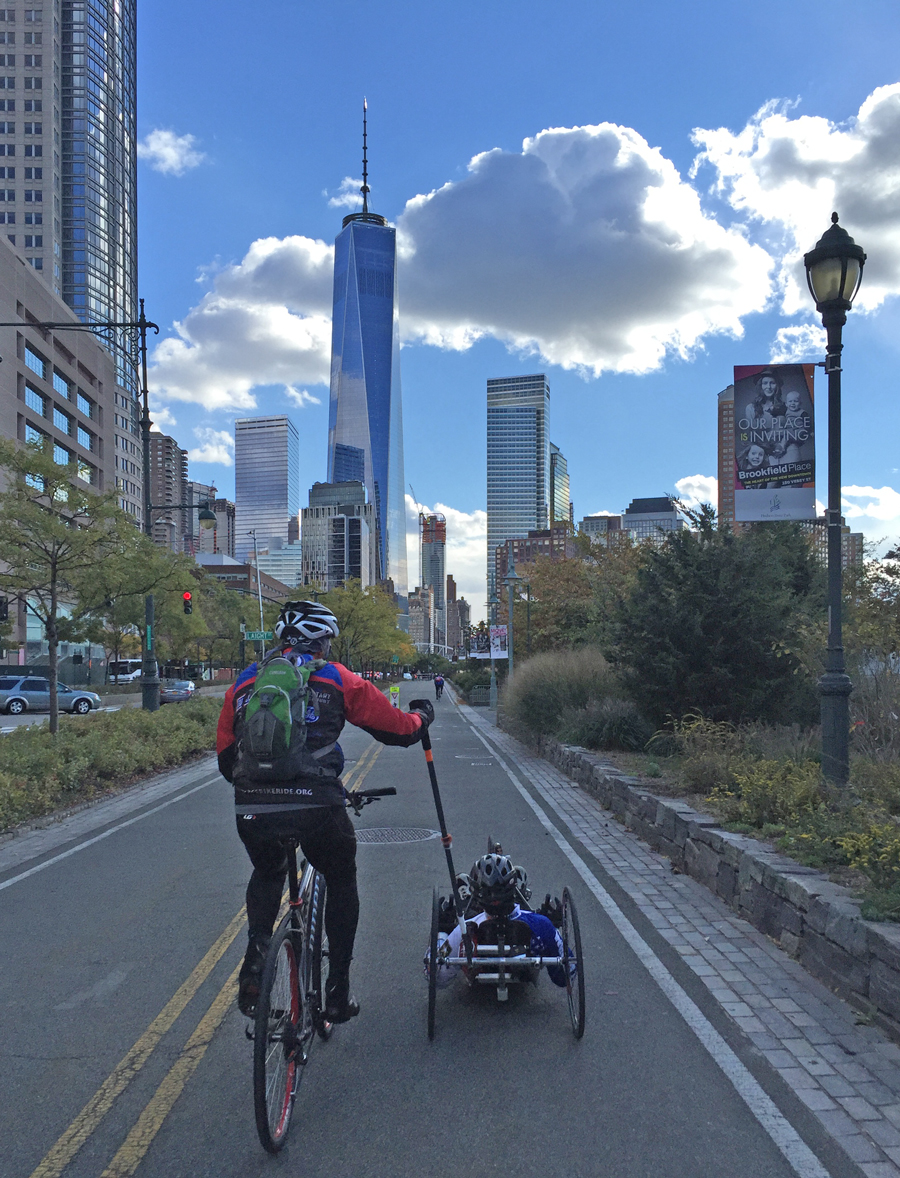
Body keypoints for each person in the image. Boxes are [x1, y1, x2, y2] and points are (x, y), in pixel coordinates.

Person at [217, 600, 434, 1023]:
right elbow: (396, 729)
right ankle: (337, 989)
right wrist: (421, 717)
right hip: (316, 806)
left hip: (253, 808)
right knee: (339, 875)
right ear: (320, 641)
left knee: (267, 871)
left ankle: (256, 960)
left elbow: (227, 760)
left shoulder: (244, 684)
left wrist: (264, 787)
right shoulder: (336, 678)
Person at [426, 853, 569, 989]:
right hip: (527, 926)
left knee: (462, 881)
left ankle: (465, 898)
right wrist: (555, 929)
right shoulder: (541, 924)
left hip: (475, 926)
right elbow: (566, 976)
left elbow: (435, 976)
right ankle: (520, 892)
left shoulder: (464, 929)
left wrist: (442, 931)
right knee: (520, 873)